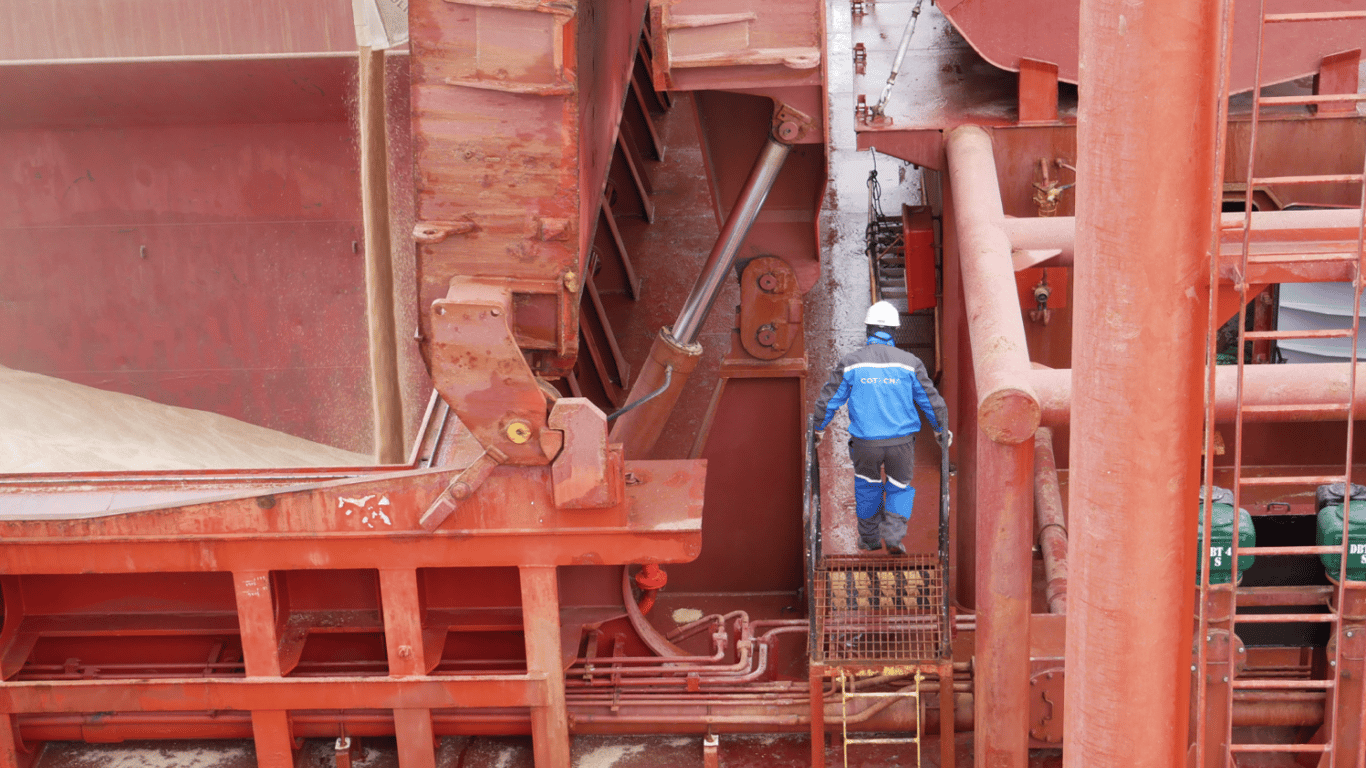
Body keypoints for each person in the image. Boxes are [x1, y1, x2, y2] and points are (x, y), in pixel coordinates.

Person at [813, 301, 950, 555]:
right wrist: (940, 429)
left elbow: (829, 400)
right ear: (895, 331)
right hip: (901, 444)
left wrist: (818, 428)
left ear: (868, 329)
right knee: (899, 487)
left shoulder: (851, 363)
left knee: (867, 487)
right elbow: (930, 400)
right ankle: (894, 537)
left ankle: (870, 540)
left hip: (866, 445)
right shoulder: (910, 363)